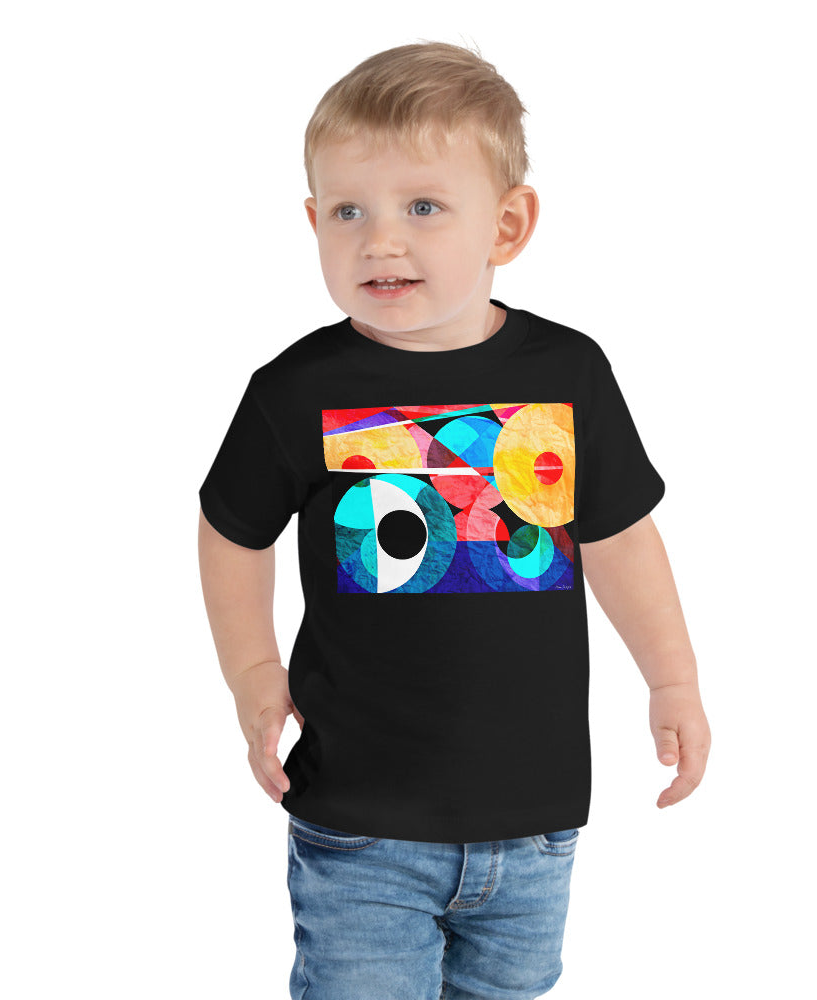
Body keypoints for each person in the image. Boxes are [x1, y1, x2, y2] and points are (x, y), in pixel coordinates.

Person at [198, 40, 710, 1000]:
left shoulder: (569, 373)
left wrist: (672, 677)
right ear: (313, 221)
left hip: (535, 820)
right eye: (348, 211)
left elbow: (620, 535)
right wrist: (253, 673)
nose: (380, 241)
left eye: (423, 207)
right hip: (361, 822)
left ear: (507, 225)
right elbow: (231, 531)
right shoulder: (295, 389)